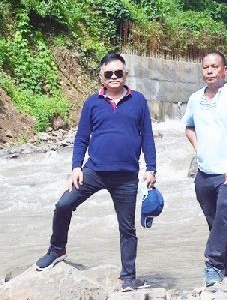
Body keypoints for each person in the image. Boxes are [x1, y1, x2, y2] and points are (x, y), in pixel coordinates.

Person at [34, 53, 157, 292]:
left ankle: (128, 277)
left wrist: (151, 169)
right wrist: (76, 167)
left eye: (118, 73)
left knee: (127, 228)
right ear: (101, 77)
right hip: (94, 171)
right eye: (108, 74)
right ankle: (57, 249)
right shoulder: (92, 102)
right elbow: (81, 138)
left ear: (125, 75)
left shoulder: (138, 101)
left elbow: (148, 138)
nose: (113, 77)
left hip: (126, 175)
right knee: (63, 205)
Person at [183, 51, 227, 286]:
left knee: (224, 209)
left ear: (225, 70)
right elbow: (189, 127)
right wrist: (200, 149)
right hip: (204, 172)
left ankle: (212, 264)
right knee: (215, 222)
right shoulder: (195, 99)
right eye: (206, 67)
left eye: (215, 67)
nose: (210, 71)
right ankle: (225, 268)